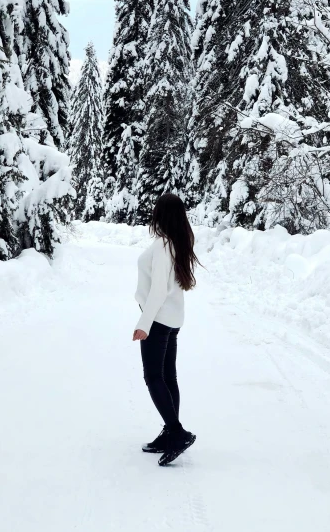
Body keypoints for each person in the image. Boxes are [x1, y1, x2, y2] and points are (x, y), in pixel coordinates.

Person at [132, 193, 199, 466]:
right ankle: (170, 431)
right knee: (167, 376)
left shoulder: (163, 245)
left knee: (153, 377)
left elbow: (158, 290)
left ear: (161, 214)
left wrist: (143, 325)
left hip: (158, 320)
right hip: (172, 320)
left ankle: (177, 432)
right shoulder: (177, 243)